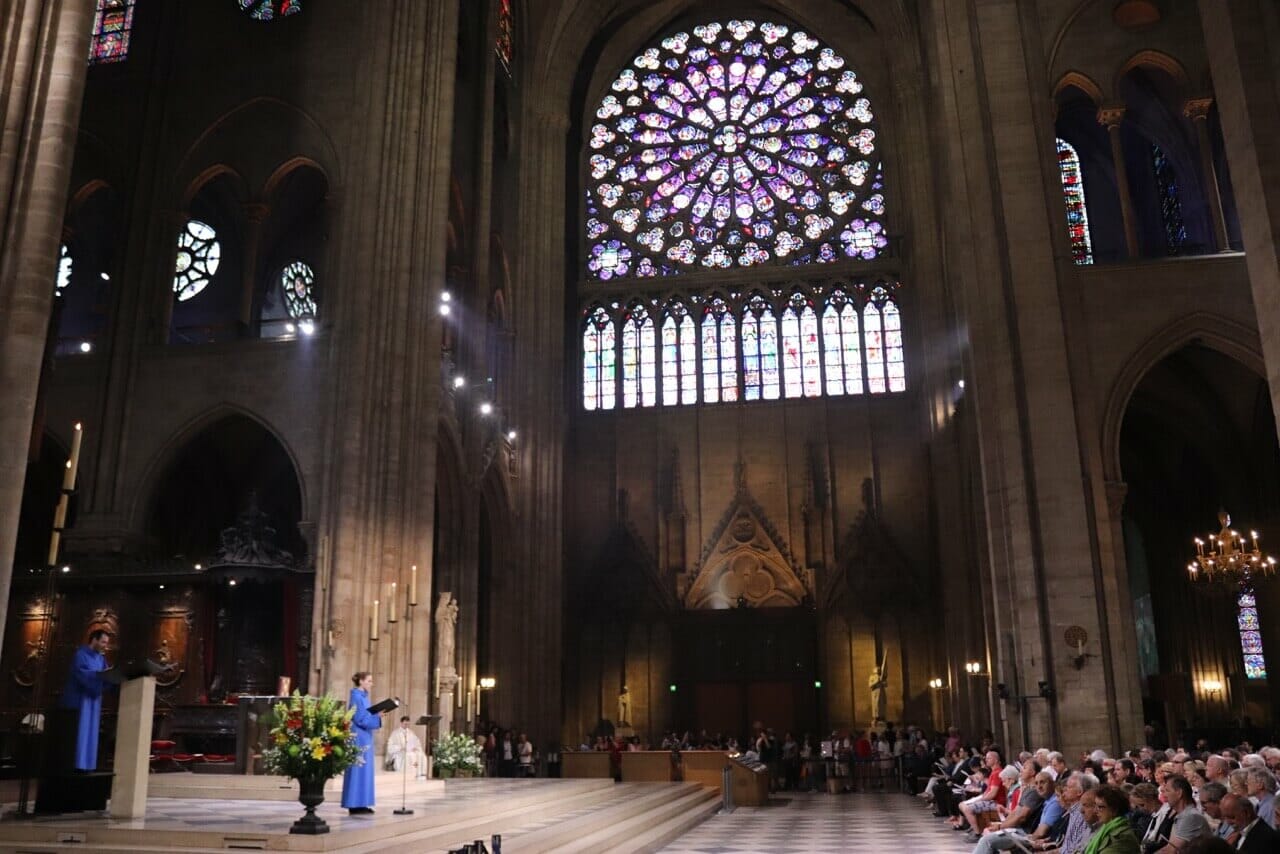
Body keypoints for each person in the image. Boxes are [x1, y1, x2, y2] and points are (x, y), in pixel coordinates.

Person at [60, 629, 110, 771]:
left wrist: (114, 677)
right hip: (80, 700)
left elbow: (106, 674)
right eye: (103, 642)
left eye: (106, 643)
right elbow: (83, 674)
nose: (105, 646)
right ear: (94, 639)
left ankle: (88, 765)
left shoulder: (101, 658)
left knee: (91, 732)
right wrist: (100, 679)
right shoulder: (80, 655)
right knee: (80, 734)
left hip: (94, 701)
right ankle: (77, 765)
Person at [341, 671, 384, 815]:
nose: (372, 683)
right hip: (358, 736)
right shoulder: (356, 696)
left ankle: (362, 803)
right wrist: (376, 717)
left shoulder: (364, 697)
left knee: (365, 770)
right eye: (370, 681)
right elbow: (360, 718)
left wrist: (377, 715)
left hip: (365, 735)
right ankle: (354, 804)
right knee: (357, 768)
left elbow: (366, 715)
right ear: (361, 681)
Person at [1083, 785, 1142, 854]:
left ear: (1114, 810)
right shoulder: (1103, 830)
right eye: (1095, 805)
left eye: (1100, 807)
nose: (1095, 811)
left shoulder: (1123, 838)